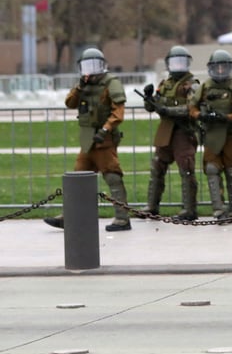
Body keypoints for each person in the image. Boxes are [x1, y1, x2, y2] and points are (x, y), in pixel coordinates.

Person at [43, 47, 132, 232]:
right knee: (78, 178)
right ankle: (70, 217)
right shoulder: (82, 85)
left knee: (112, 176)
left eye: (95, 65)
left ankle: (122, 218)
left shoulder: (111, 83)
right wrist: (79, 88)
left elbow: (118, 112)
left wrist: (106, 128)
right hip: (87, 140)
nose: (90, 70)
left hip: (104, 140)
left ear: (103, 66)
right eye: (86, 66)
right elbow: (69, 103)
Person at [189, 49, 232, 220]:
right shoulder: (205, 86)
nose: (220, 71)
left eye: (223, 67)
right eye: (217, 67)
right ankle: (218, 209)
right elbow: (192, 107)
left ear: (229, 68)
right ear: (211, 68)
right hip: (211, 135)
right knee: (211, 169)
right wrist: (200, 115)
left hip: (231, 135)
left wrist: (229, 117)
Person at [142, 46, 200, 221]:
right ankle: (152, 206)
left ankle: (189, 209)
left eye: (182, 62)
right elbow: (152, 107)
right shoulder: (164, 84)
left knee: (186, 169)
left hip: (183, 131)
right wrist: (149, 98)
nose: (178, 66)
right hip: (166, 131)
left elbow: (192, 107)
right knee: (157, 166)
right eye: (175, 62)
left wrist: (169, 111)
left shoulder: (193, 84)